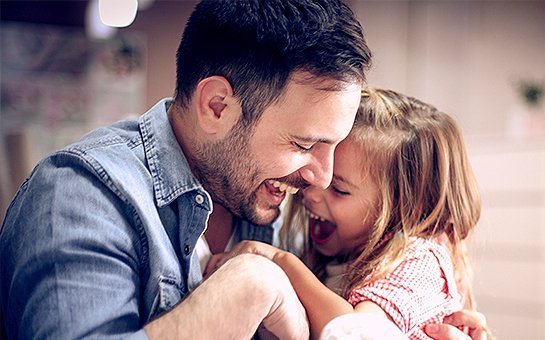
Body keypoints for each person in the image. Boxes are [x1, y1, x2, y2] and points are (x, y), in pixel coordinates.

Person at [0, 0, 485, 338]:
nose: (319, 178)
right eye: (304, 143)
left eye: (334, 147)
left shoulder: (277, 204)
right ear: (217, 106)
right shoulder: (77, 199)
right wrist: (251, 288)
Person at [207, 88, 490, 339]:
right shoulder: (335, 254)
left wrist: (281, 263)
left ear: (405, 211)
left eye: (338, 189)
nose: (312, 192)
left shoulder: (420, 263)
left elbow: (354, 332)